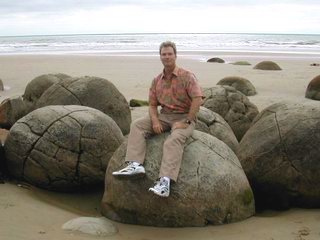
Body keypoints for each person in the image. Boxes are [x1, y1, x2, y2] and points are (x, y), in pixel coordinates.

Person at [112, 41, 203, 197]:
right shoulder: (156, 80)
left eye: (170, 54)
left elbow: (197, 98)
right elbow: (153, 105)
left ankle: (164, 182)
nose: (167, 57)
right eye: (163, 54)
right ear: (160, 56)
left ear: (175, 55)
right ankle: (135, 165)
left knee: (172, 141)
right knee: (137, 125)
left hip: (183, 117)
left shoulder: (187, 76)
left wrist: (187, 121)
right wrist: (154, 121)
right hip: (164, 116)